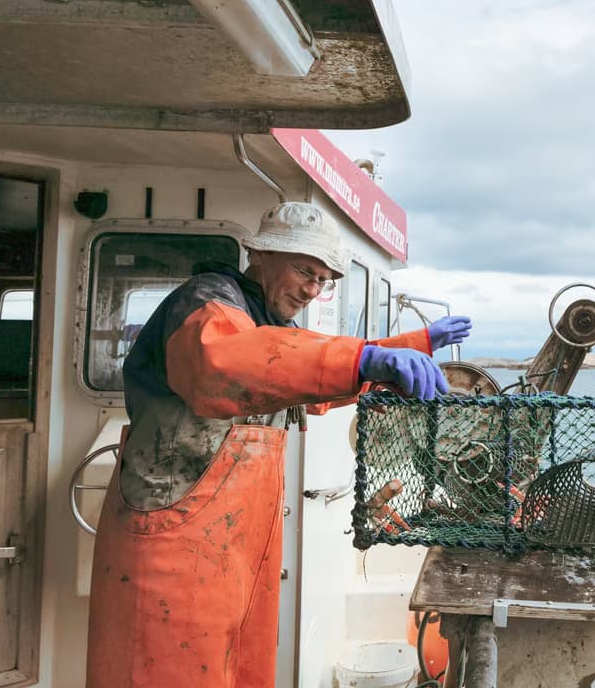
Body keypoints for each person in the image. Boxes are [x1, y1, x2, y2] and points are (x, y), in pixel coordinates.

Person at [86, 201, 472, 688]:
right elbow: (225, 364)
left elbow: (307, 378)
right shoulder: (205, 302)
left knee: (238, 672)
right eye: (304, 272)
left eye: (323, 281)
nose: (312, 290)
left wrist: (410, 350)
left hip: (235, 541)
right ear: (260, 254)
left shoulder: (269, 323)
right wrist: (365, 360)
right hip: (172, 531)